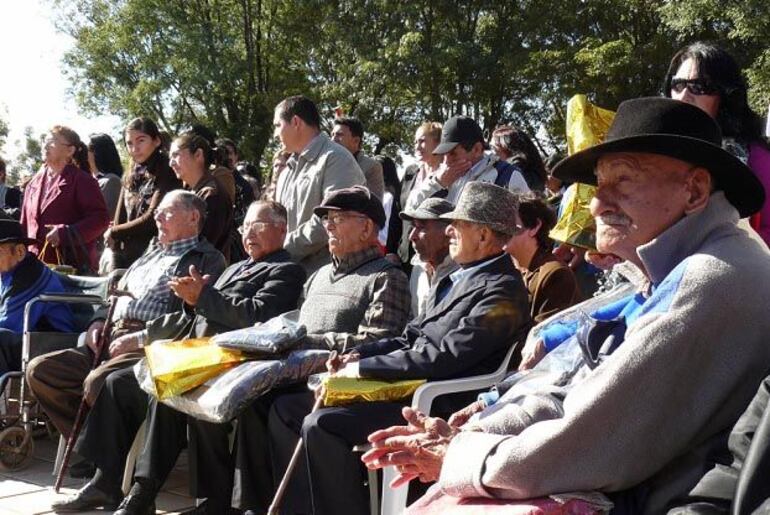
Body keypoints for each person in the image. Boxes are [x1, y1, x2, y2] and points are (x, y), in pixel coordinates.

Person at [362, 98, 770, 514]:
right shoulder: (673, 269)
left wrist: (460, 456)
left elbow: (593, 433)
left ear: (696, 190)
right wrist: (477, 428)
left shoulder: (712, 276)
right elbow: (576, 389)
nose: (596, 204)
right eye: (598, 185)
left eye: (623, 181)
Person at [116, 186, 410, 515]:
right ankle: (211, 502)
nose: (328, 225)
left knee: (255, 401)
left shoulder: (386, 277)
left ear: (367, 228)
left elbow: (381, 341)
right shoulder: (319, 276)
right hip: (286, 366)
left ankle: (250, 506)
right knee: (201, 385)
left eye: (338, 219)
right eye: (326, 218)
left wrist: (310, 344)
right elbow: (292, 323)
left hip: (328, 375)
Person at [269, 181, 531, 515]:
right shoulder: (456, 279)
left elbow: (446, 356)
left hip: (436, 400)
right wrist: (359, 355)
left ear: (483, 235)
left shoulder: (504, 290)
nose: (448, 230)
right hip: (406, 384)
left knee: (322, 424)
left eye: (458, 224)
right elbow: (411, 336)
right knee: (287, 409)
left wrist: (364, 369)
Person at [51, 200, 305, 513]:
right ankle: (105, 481)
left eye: (258, 225)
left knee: (166, 391)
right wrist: (188, 302)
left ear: (281, 230)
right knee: (117, 382)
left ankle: (146, 492)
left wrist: (203, 297)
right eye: (245, 226)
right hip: (190, 355)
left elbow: (258, 316)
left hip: (229, 362)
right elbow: (195, 313)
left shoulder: (287, 270)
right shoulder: (235, 268)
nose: (248, 233)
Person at [27, 190, 226, 440]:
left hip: (149, 345)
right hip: (110, 336)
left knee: (98, 382)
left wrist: (139, 338)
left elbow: (194, 318)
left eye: (166, 212)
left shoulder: (207, 260)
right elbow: (114, 298)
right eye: (156, 213)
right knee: (41, 370)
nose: (158, 218)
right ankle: (87, 446)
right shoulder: (150, 253)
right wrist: (97, 322)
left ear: (193, 216)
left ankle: (101, 457)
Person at [664, 41, 770, 245]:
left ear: (726, 96)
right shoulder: (657, 149)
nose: (684, 96)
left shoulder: (757, 156)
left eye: (699, 87)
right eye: (677, 85)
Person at [272, 95, 366, 274]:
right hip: (286, 276)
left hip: (327, 280)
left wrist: (279, 249)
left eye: (278, 125)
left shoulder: (337, 159)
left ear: (296, 122)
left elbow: (333, 219)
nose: (275, 134)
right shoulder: (286, 172)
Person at [19, 125, 110, 275]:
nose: (45, 145)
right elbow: (24, 226)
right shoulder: (33, 184)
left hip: (70, 270)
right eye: (45, 141)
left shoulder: (82, 181)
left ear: (70, 150)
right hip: (33, 269)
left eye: (52, 141)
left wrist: (66, 233)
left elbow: (100, 219)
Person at [406, 116, 529, 212]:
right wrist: (438, 183)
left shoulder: (506, 175)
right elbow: (410, 209)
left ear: (476, 149)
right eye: (443, 154)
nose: (447, 161)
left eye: (453, 153)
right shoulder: (442, 176)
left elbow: (525, 225)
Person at [0, 219, 74, 375]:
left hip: (55, 346)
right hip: (27, 340)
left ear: (20, 252)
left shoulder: (30, 276)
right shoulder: (8, 272)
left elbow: (9, 324)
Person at [107, 117, 182, 271]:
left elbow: (152, 217)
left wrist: (114, 232)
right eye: (129, 143)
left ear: (156, 141)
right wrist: (115, 249)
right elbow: (119, 217)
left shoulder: (166, 170)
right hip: (126, 255)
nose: (135, 148)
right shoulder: (131, 171)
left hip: (154, 255)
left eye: (141, 140)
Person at [505, 192, 581, 325]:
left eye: (509, 222)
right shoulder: (505, 268)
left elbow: (543, 336)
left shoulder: (555, 274)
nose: (500, 229)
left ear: (534, 227)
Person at [169, 132, 234, 262]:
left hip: (204, 276)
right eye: (170, 157)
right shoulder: (193, 191)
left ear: (198, 155)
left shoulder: (212, 195)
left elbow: (203, 248)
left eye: (176, 155)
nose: (171, 163)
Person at [399, 197, 458, 317]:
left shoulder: (462, 273)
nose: (411, 237)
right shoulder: (418, 267)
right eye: (413, 227)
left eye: (421, 227)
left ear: (449, 233)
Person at [398, 122, 443, 268]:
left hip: (432, 256)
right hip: (405, 254)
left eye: (422, 141)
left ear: (438, 143)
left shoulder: (447, 176)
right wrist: (393, 250)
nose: (417, 147)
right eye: (415, 142)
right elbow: (397, 211)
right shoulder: (411, 172)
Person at [332, 117, 385, 199]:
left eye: (339, 135)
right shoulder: (327, 163)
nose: (333, 139)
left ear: (356, 140)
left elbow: (374, 205)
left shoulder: (372, 167)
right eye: (332, 135)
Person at [490, 126, 548, 192]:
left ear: (505, 147)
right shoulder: (535, 173)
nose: (492, 153)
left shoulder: (512, 174)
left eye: (494, 148)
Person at [87, 133, 123, 218]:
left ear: (96, 153)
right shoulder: (91, 180)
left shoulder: (111, 181)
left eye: (87, 149)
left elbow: (105, 218)